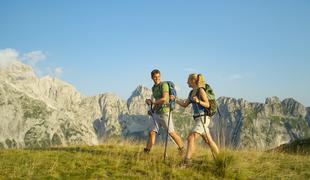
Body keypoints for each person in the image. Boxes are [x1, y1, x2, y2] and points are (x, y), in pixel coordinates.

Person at [176, 73, 219, 165]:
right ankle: (220, 159)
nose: (186, 82)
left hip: (203, 118)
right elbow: (184, 104)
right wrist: (175, 99)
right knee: (209, 141)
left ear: (193, 80)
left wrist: (198, 101)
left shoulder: (200, 91)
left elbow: (208, 104)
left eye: (188, 80)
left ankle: (186, 162)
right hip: (198, 119)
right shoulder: (192, 92)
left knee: (191, 137)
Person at [144, 69, 185, 155]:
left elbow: (164, 98)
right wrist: (152, 109)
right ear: (152, 78)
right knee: (152, 132)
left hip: (165, 112)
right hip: (157, 113)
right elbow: (156, 100)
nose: (157, 78)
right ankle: (146, 152)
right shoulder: (154, 88)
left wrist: (152, 102)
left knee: (171, 133)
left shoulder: (164, 85)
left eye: (158, 76)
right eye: (155, 77)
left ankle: (182, 149)